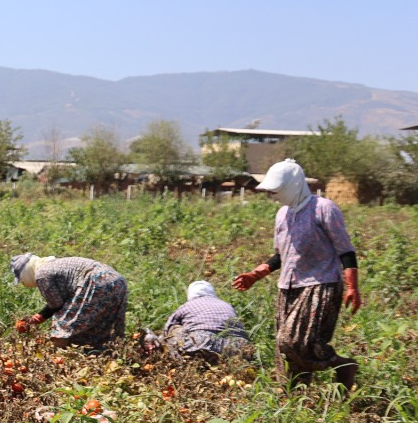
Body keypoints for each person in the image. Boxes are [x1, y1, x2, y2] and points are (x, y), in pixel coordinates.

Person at [231, 158, 361, 390]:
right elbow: (282, 255)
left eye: (277, 190)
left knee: (292, 341)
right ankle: (294, 395)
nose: (274, 196)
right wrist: (255, 274)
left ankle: (342, 365)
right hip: (288, 286)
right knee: (287, 349)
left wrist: (352, 286)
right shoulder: (282, 214)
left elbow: (346, 250)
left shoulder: (324, 208)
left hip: (320, 283)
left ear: (294, 185)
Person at [11, 253, 128, 350]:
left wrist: (36, 319)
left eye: (21, 278)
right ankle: (104, 353)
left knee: (63, 324)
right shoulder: (53, 265)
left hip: (96, 280)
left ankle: (59, 356)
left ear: (25, 272)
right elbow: (63, 300)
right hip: (117, 280)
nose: (22, 282)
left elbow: (57, 305)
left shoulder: (41, 274)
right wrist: (37, 318)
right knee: (103, 323)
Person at [152, 280, 252, 360]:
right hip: (238, 346)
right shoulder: (227, 305)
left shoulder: (188, 305)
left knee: (174, 328)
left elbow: (168, 328)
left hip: (203, 341)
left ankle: (188, 356)